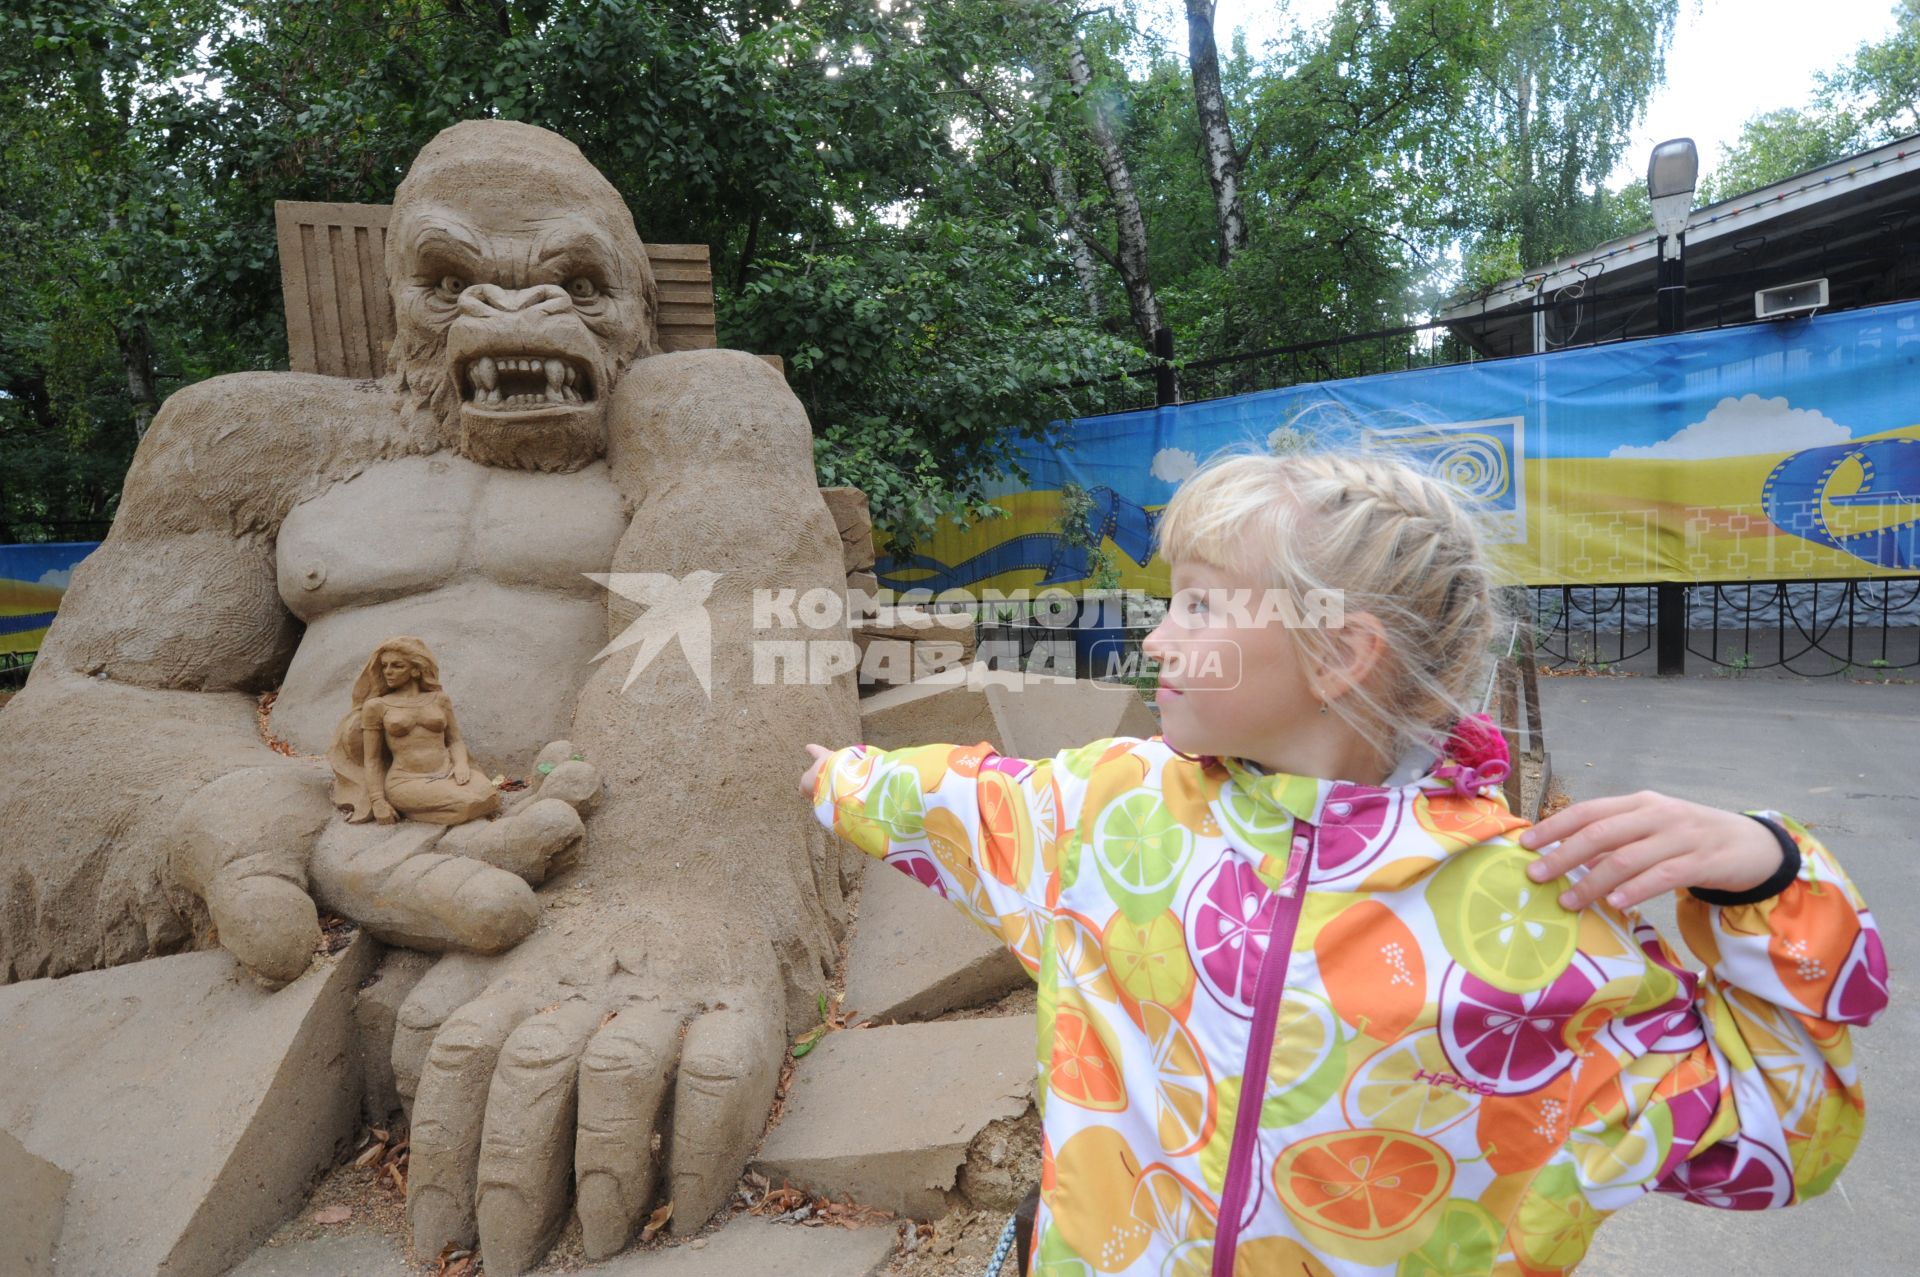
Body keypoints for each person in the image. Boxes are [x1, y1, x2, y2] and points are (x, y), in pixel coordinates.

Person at [797, 450, 1887, 1276]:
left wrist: (1772, 878)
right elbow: (953, 796)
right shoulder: (1110, 811)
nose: (1157, 639)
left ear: (1340, 650)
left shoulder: (1535, 922)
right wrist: (827, 772)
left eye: (1200, 604)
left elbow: (1788, 1135)